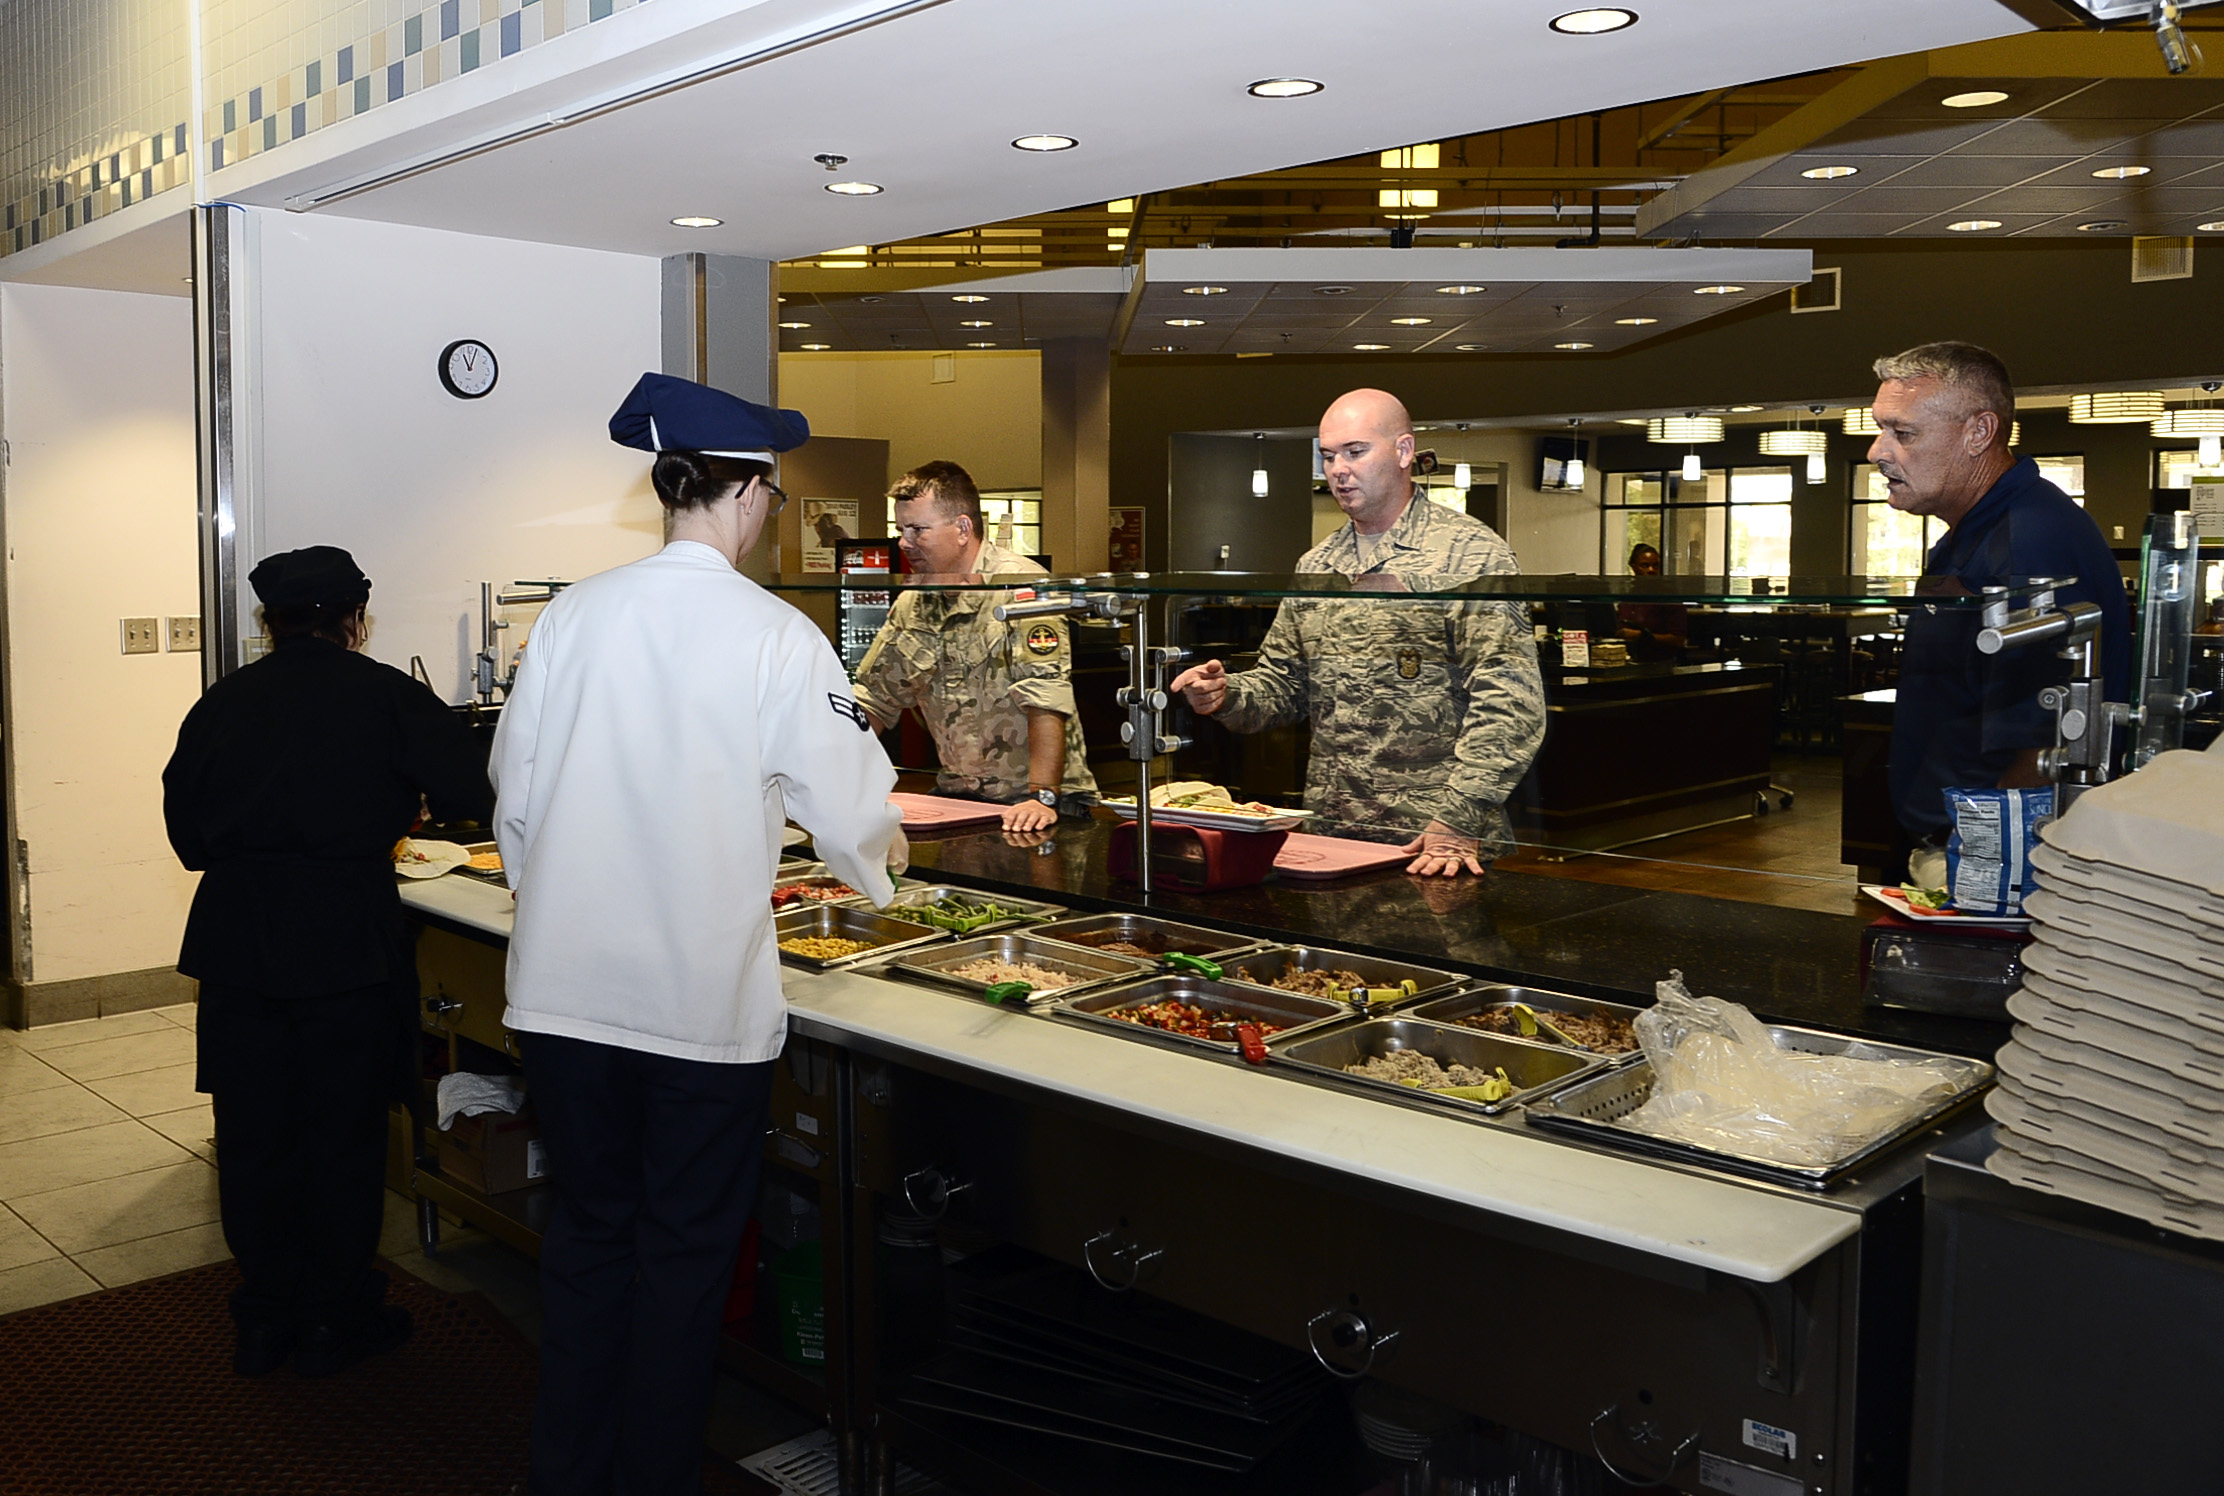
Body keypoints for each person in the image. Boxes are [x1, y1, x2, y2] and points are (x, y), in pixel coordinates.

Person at [492, 374, 906, 1496]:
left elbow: (514, 798)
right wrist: (881, 882)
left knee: (586, 1243)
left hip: (564, 999)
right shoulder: (777, 634)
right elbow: (854, 809)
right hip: (693, 1016)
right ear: (750, 493)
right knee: (680, 1260)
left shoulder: (572, 614)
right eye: (772, 492)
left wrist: (556, 900)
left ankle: (566, 1474)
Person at [162, 546, 493, 1378]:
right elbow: (472, 793)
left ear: (268, 624)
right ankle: (338, 1314)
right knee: (342, 1136)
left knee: (255, 1137)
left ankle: (266, 1317)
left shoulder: (220, 704)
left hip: (239, 942)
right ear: (354, 619)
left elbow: (189, 840)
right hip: (347, 939)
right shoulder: (386, 695)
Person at [1170, 389, 1545, 876]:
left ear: (1404, 452)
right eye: (1328, 456)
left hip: (1434, 844)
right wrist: (1226, 695)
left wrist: (1458, 818)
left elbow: (1510, 704)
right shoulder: (1319, 564)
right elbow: (1284, 685)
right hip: (1332, 832)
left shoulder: (1471, 555)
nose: (1338, 469)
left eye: (1355, 451)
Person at [1868, 341, 2131, 851]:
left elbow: (2043, 744)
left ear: (1979, 433)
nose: (1878, 452)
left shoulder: (2026, 541)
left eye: (1903, 433)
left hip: (1993, 849)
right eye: (1881, 429)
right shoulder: (1981, 528)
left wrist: (1985, 859)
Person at [851, 460, 1099, 833]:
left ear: (963, 528)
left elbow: (1045, 697)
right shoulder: (913, 601)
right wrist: (833, 779)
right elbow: (872, 699)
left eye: (918, 529)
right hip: (958, 799)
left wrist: (1043, 796)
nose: (904, 542)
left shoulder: (1021, 587)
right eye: (901, 529)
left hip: (1039, 804)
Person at [1616, 543, 1688, 661]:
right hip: (1627, 657)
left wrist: (1640, 635)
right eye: (1645, 565)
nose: (1651, 570)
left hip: (1660, 660)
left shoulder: (1668, 597)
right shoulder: (1628, 595)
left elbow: (1678, 639)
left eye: (1656, 566)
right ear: (1633, 567)